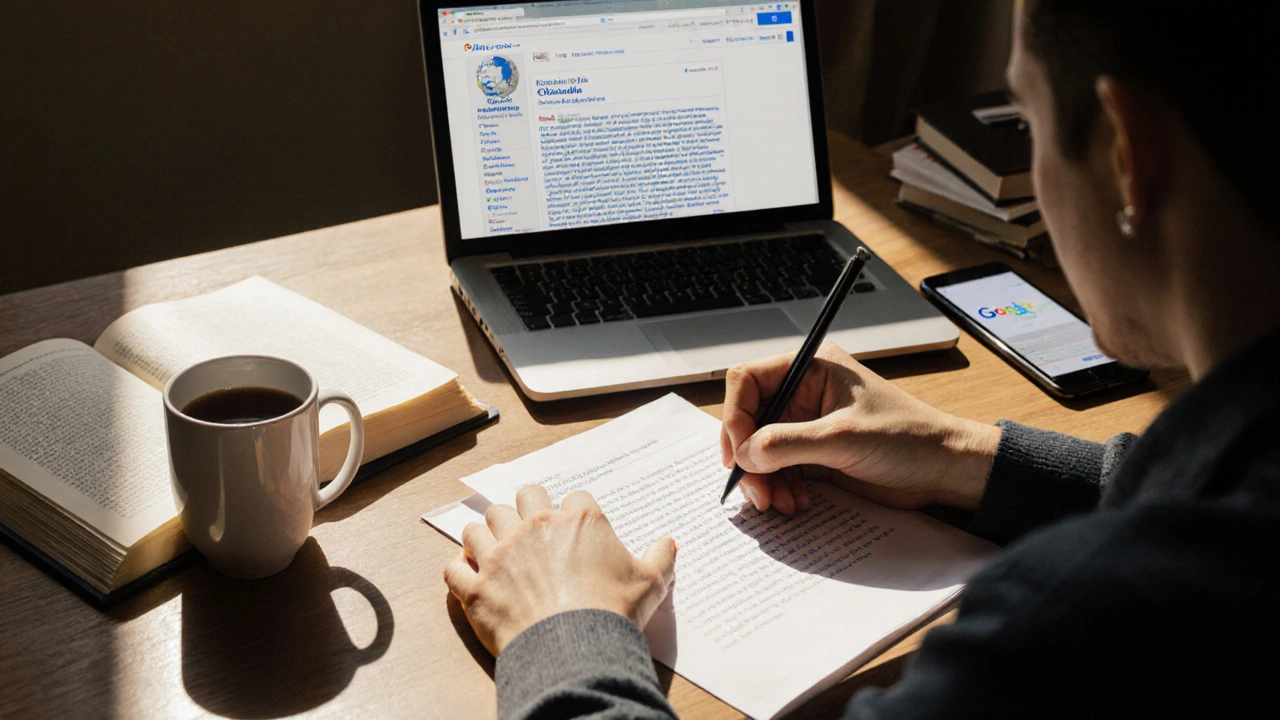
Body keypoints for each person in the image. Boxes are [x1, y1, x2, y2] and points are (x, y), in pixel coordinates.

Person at [442, 1, 1280, 717]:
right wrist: (962, 457)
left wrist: (567, 635)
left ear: (1126, 155)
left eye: (1024, 120)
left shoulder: (1073, 632)